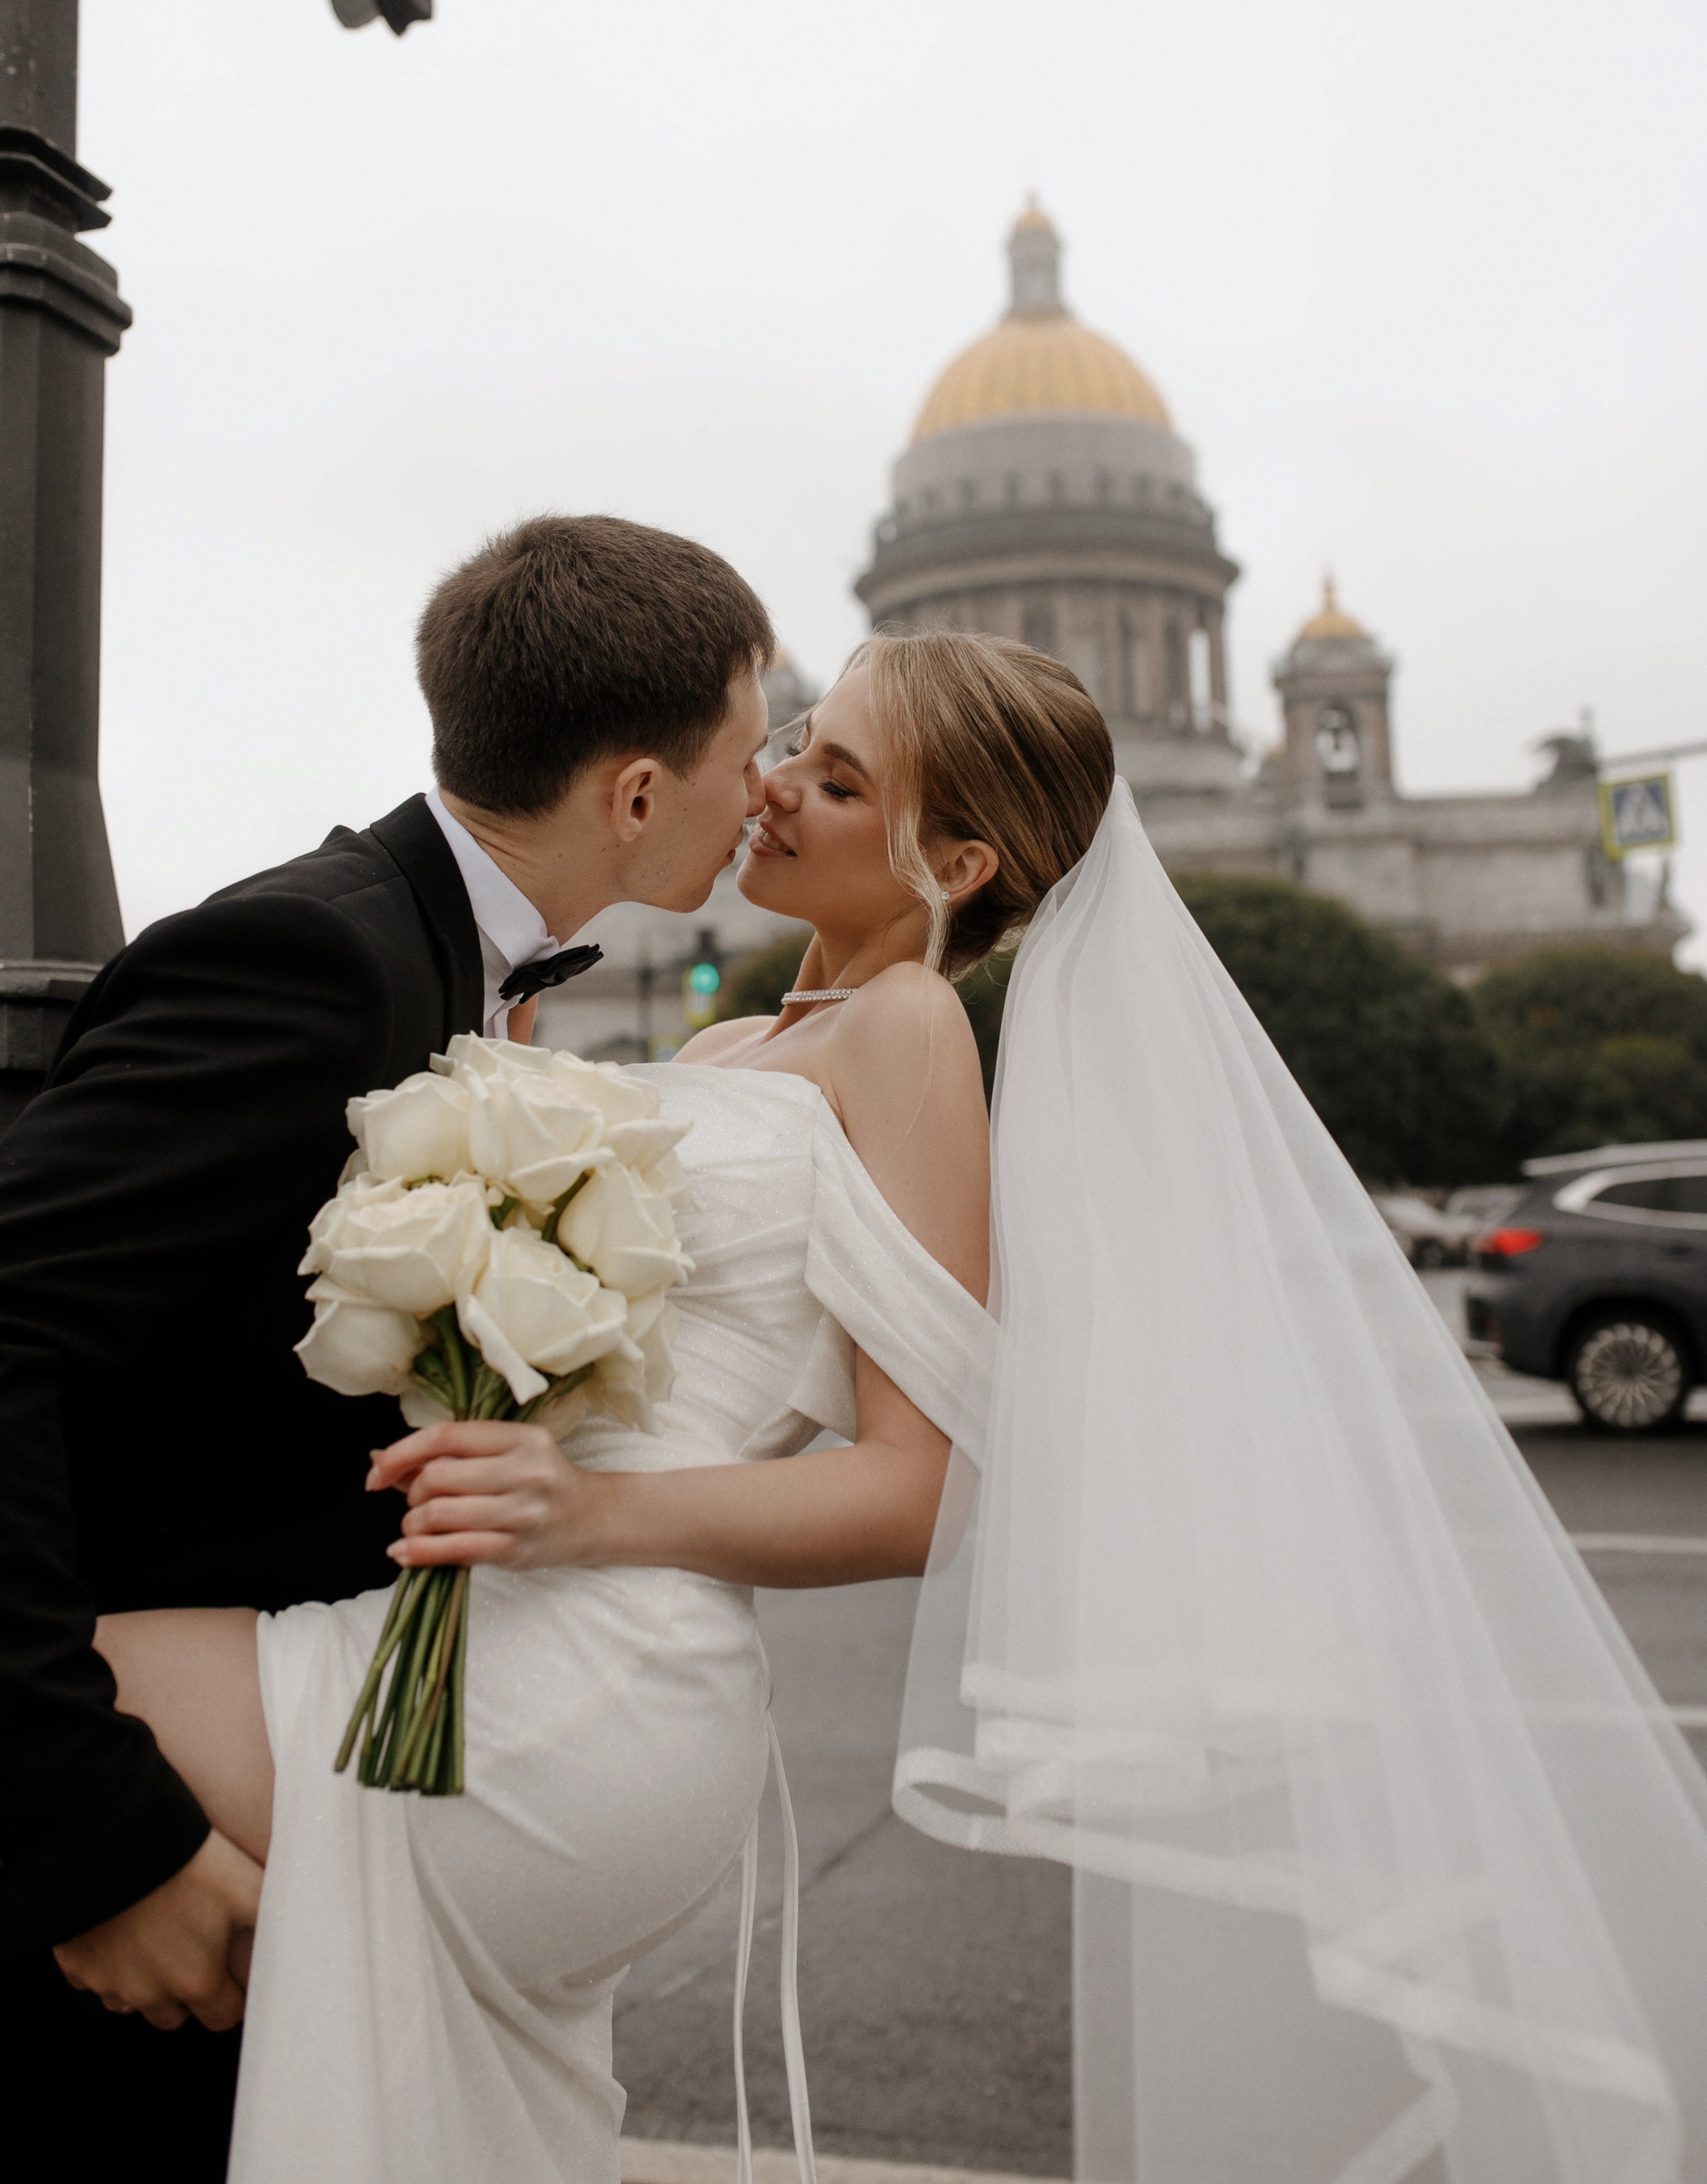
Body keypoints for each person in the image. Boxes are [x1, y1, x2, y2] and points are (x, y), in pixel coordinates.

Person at [31, 618, 1707, 2184]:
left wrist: (587, 1509)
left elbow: (927, 1487)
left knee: (75, 1713)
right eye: (791, 751)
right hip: (499, 1642)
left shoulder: (907, 1034)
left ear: (956, 862)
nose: (773, 788)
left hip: (606, 1669)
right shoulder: (722, 1049)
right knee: (386, 2071)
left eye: (834, 780)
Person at [0, 513, 775, 2179]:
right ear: (637, 794)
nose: (764, 792)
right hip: (145, 1865)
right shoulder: (304, 959)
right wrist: (97, 1844)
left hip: (308, 1811)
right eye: (750, 748)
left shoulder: (468, 978)